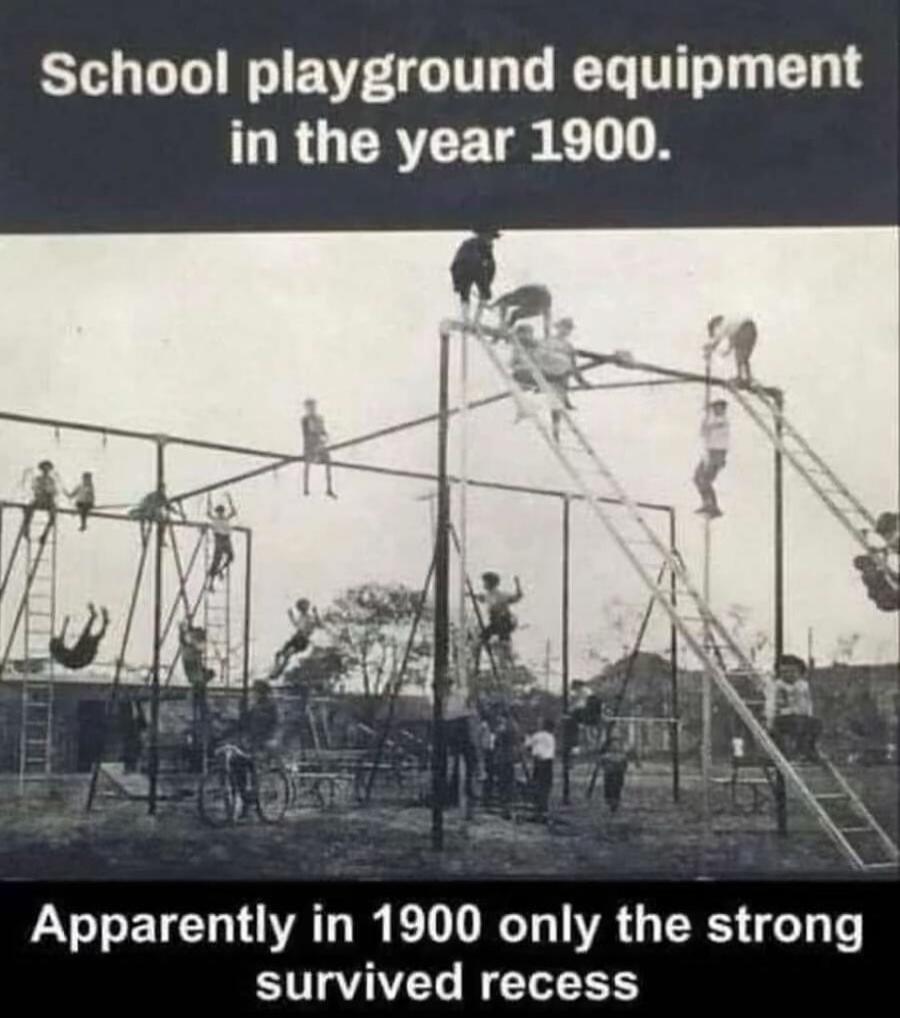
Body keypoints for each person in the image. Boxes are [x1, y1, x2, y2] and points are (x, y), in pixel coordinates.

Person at [772, 654, 821, 762]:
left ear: (800, 673)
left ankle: (808, 749)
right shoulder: (779, 686)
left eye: (792, 672)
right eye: (784, 672)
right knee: (796, 724)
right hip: (783, 717)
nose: (788, 675)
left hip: (800, 716)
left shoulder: (803, 685)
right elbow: (777, 704)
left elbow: (808, 702)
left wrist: (809, 714)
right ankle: (796, 750)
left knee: (815, 724)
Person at [450, 229, 500, 327]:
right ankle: (468, 320)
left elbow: (491, 267)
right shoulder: (470, 245)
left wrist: (487, 286)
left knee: (480, 294)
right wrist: (458, 283)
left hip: (473, 269)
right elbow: (457, 264)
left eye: (491, 238)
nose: (490, 240)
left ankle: (475, 320)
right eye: (488, 237)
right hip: (465, 269)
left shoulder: (486, 248)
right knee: (466, 293)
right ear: (481, 235)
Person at [475, 572, 523, 670]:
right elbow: (482, 598)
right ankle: (477, 667)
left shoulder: (501, 595)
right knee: (480, 641)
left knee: (504, 645)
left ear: (490, 583)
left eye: (485, 582)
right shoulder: (488, 595)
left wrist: (517, 583)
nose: (483, 584)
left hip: (503, 622)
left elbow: (518, 596)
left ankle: (509, 665)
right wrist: (471, 595)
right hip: (494, 623)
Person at [693, 399, 730, 518]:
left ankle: (713, 506)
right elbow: (703, 432)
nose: (716, 410)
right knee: (697, 478)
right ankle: (707, 503)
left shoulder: (723, 421)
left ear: (723, 409)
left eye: (718, 408)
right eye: (715, 408)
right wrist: (706, 418)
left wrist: (707, 414)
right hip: (709, 452)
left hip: (718, 453)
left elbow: (712, 427)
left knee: (705, 479)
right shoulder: (713, 420)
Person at [49, 603, 109, 670]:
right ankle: (103, 621)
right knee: (92, 639)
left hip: (77, 655)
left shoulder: (57, 649)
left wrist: (65, 623)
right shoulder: (59, 653)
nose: (61, 640)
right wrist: (65, 624)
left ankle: (95, 618)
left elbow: (62, 636)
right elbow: (62, 637)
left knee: (87, 636)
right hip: (80, 659)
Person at [271, 598, 319, 678]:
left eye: (302, 607)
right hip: (296, 638)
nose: (301, 610)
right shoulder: (301, 617)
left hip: (302, 640)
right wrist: (291, 616)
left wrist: (316, 613)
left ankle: (279, 671)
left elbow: (317, 624)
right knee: (279, 653)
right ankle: (276, 668)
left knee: (288, 654)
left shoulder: (309, 618)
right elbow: (296, 624)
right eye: (300, 608)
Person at [704, 315, 758, 386]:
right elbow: (731, 342)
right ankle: (748, 378)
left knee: (739, 356)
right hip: (752, 329)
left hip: (744, 329)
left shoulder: (724, 324)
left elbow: (719, 338)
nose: (717, 329)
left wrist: (711, 348)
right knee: (744, 357)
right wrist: (725, 352)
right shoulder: (731, 325)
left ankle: (740, 378)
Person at [301, 398, 337, 498]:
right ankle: (306, 489)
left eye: (312, 406)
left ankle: (329, 489)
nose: (311, 409)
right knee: (307, 466)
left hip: (320, 445)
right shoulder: (305, 420)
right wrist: (314, 447)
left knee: (328, 461)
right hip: (310, 446)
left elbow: (323, 432)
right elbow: (306, 435)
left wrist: (324, 438)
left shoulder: (319, 418)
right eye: (308, 407)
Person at [525, 718, 556, 821]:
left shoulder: (537, 735)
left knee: (538, 783)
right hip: (549, 762)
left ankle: (538, 805)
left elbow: (527, 745)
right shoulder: (551, 737)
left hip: (539, 762)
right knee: (546, 784)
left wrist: (528, 737)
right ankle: (544, 805)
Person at [21, 459, 60, 538]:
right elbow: (35, 488)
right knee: (28, 510)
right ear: (42, 470)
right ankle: (26, 530)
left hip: (49, 501)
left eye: (47, 469)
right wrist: (41, 490)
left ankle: (44, 535)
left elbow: (55, 491)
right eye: (44, 469)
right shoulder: (38, 479)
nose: (46, 471)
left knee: (53, 516)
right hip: (40, 499)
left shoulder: (51, 480)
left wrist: (49, 491)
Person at [206, 493, 237, 589]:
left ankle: (220, 570)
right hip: (219, 540)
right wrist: (209, 499)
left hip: (226, 539)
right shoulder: (215, 519)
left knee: (231, 557)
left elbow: (234, 512)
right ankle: (211, 584)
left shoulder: (226, 519)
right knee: (216, 561)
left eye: (221, 511)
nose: (220, 513)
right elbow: (208, 513)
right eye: (219, 512)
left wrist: (229, 499)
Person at [598, 735, 629, 813]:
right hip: (609, 774)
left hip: (618, 774)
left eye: (617, 745)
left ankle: (615, 802)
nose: (615, 747)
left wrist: (623, 769)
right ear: (609, 747)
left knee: (617, 789)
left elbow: (625, 764)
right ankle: (610, 800)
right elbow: (602, 763)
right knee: (608, 788)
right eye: (613, 745)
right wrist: (606, 767)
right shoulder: (606, 756)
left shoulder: (622, 756)